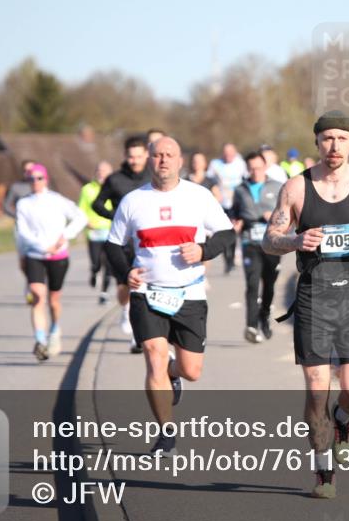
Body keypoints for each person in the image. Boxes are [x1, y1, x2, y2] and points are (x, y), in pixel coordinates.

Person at [264, 110, 349, 499]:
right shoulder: (296, 188)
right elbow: (269, 238)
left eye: (342, 138)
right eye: (326, 138)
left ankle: (343, 419)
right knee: (316, 388)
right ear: (317, 143)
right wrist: (294, 241)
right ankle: (324, 473)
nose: (334, 145)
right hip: (313, 300)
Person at [105, 137, 236, 457]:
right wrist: (126, 274)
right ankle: (166, 434)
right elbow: (113, 245)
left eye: (170, 155)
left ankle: (175, 374)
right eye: (157, 155)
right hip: (147, 293)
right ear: (149, 160)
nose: (163, 160)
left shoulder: (198, 196)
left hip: (189, 292)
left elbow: (226, 233)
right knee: (154, 355)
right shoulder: (133, 201)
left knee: (191, 370)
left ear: (180, 161)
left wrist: (203, 250)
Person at [15, 164, 87, 361]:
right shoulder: (24, 204)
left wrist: (65, 236)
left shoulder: (57, 200)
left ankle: (54, 329)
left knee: (54, 301)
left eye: (39, 178)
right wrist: (35, 247)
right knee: (38, 296)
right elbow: (22, 232)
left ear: (45, 179)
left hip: (58, 256)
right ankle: (40, 340)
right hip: (35, 255)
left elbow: (81, 217)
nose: (35, 182)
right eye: (31, 179)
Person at [93, 135, 150, 351]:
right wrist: (114, 216)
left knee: (143, 288)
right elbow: (97, 203)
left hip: (147, 242)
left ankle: (138, 336)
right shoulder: (115, 179)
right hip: (122, 243)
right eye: (131, 156)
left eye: (139, 156)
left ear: (146, 155)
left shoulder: (153, 177)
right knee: (125, 287)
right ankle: (125, 311)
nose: (135, 160)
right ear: (125, 156)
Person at [231, 151, 283, 343]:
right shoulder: (240, 190)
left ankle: (265, 315)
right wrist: (236, 222)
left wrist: (275, 218)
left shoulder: (278, 188)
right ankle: (251, 326)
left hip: (272, 243)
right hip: (249, 241)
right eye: (251, 168)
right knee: (252, 284)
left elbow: (288, 216)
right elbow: (234, 212)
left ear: (265, 167)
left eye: (258, 168)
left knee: (269, 284)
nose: (255, 172)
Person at [206, 142, 248, 274]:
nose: (228, 156)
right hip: (221, 203)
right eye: (226, 153)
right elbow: (208, 179)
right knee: (223, 231)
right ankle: (228, 260)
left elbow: (247, 178)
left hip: (236, 202)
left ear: (235, 153)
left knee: (235, 231)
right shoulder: (215, 164)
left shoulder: (240, 163)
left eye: (231, 153)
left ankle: (236, 254)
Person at [79, 161, 114, 305]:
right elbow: (81, 208)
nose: (101, 173)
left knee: (109, 264)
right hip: (94, 231)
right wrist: (86, 222)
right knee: (96, 263)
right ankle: (94, 272)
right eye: (99, 170)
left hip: (110, 231)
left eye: (105, 171)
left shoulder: (114, 187)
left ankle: (104, 293)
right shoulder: (87, 189)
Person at [3, 159, 36, 303]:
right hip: (21, 229)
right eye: (26, 170)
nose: (29, 173)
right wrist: (17, 215)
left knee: (39, 257)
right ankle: (30, 280)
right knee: (23, 261)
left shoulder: (40, 185)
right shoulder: (17, 187)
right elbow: (6, 205)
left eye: (32, 170)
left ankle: (37, 284)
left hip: (38, 229)